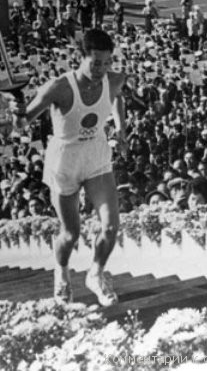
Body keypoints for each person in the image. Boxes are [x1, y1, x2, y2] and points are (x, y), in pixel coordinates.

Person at [14, 29, 128, 306]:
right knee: (70, 233)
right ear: (81, 57)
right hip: (65, 160)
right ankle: (62, 274)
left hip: (96, 155)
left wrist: (121, 129)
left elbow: (117, 97)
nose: (101, 69)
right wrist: (16, 109)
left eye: (106, 62)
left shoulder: (115, 79)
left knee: (111, 226)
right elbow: (22, 123)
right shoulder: (59, 87)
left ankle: (96, 274)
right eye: (96, 63)